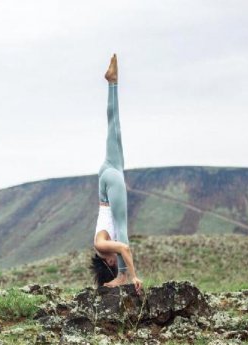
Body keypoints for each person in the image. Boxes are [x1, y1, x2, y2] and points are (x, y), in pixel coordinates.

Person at [90, 54, 143, 295]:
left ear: (107, 263)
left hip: (110, 185)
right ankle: (113, 82)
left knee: (123, 227)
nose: (113, 258)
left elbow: (123, 246)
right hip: (109, 178)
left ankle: (121, 277)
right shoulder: (101, 243)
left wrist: (130, 275)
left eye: (113, 264)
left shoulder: (101, 245)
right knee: (115, 126)